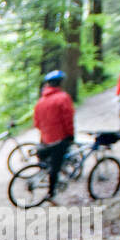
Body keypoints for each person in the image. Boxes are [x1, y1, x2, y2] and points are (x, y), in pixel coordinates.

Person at [33, 69, 75, 203]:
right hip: (59, 138)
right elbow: (68, 119)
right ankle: (51, 193)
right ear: (59, 83)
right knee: (56, 166)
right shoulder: (63, 97)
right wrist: (70, 135)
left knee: (50, 161)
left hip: (46, 139)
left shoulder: (40, 101)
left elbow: (37, 123)